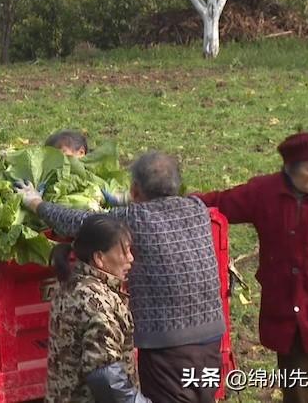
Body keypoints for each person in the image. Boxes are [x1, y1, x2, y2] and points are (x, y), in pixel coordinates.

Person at [16, 151, 226, 403]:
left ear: (136, 190)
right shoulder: (196, 208)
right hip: (212, 339)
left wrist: (36, 203)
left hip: (167, 347)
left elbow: (82, 224)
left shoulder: (135, 218)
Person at [194, 132, 308, 403]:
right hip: (293, 315)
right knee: (296, 392)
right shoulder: (263, 193)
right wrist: (174, 204)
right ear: (290, 169)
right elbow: (221, 202)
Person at [47, 214, 150, 402]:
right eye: (124, 252)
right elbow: (106, 376)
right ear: (99, 258)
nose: (131, 258)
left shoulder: (71, 284)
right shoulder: (97, 302)